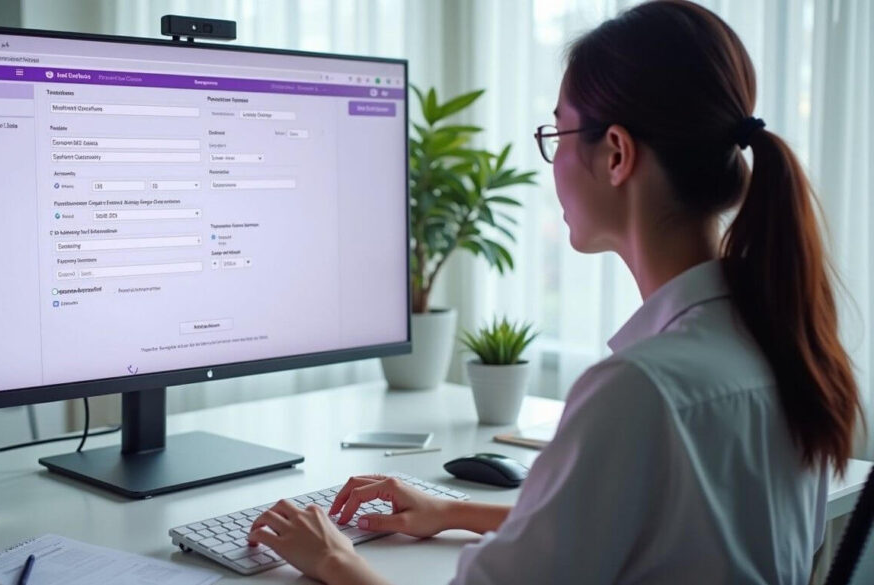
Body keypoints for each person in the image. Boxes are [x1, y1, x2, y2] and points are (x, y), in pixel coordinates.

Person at [245, 1, 865, 583]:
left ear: (617, 153)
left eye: (558, 136)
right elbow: (643, 528)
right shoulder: (781, 343)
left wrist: (332, 559)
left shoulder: (640, 389)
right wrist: (451, 510)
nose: (554, 162)